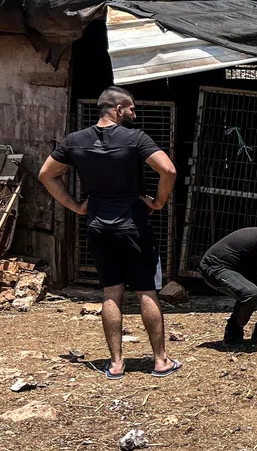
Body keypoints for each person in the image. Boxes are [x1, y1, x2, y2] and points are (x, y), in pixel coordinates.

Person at [39, 85, 179, 379]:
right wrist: (158, 202)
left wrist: (76, 206)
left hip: (98, 225)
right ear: (117, 109)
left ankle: (116, 364)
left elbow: (46, 174)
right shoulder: (135, 138)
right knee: (146, 292)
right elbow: (168, 170)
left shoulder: (75, 141)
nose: (135, 113)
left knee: (111, 293)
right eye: (132, 108)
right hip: (133, 225)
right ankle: (160, 361)